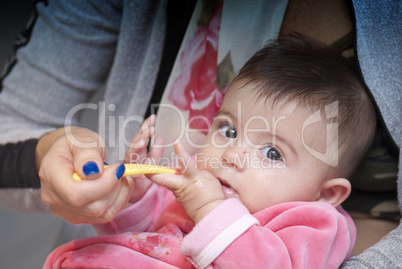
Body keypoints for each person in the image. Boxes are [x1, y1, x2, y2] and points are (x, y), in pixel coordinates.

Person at [0, 0, 401, 268]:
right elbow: (142, 234)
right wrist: (127, 197)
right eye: (228, 129)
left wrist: (209, 211)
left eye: (273, 153)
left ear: (328, 193)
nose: (232, 154)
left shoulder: (313, 223)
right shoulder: (199, 183)